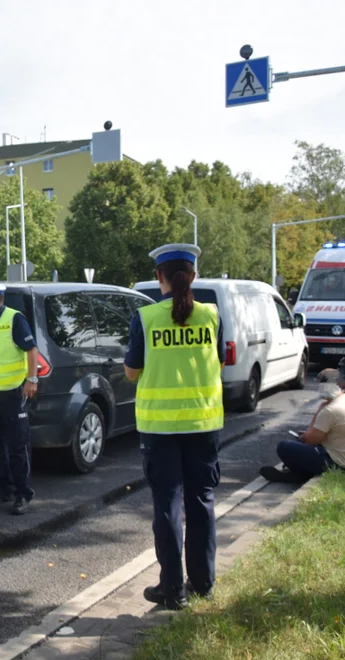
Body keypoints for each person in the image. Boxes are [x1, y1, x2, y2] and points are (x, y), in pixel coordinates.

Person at [124, 244, 225, 611]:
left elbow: (132, 372)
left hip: (160, 429)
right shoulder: (211, 315)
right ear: (193, 276)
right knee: (202, 502)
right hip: (203, 424)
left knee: (167, 505)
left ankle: (172, 589)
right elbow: (220, 363)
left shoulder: (146, 318)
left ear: (159, 277)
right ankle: (203, 584)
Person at [0, 281, 40, 515]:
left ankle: (23, 493)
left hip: (14, 394)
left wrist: (32, 379)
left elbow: (31, 350)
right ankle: (3, 488)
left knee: (17, 445)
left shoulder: (14, 319)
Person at [260, 368, 345, 483]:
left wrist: (321, 409)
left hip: (342, 465)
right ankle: (298, 472)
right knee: (299, 443)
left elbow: (309, 440)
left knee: (284, 446)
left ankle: (299, 475)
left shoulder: (329, 410)